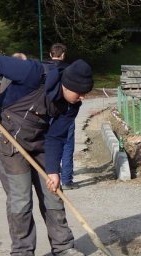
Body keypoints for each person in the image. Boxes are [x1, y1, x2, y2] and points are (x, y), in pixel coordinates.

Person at [0, 55, 94, 256]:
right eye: (80, 93)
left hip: (40, 141)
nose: (82, 98)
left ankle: (63, 247)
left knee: (53, 193)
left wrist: (53, 171)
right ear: (67, 86)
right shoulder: (33, 73)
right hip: (7, 137)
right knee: (21, 197)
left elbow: (56, 137)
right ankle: (22, 253)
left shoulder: (71, 105)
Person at [48, 43, 80, 190]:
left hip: (48, 112)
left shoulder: (45, 69)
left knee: (50, 142)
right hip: (66, 111)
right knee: (67, 145)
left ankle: (50, 173)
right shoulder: (68, 71)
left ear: (50, 54)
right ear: (63, 55)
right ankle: (66, 179)